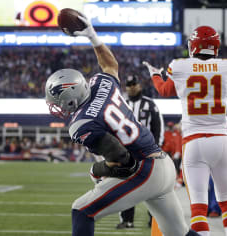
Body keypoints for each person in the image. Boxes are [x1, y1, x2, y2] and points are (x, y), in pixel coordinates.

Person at [44, 13, 198, 236]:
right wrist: (92, 36)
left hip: (146, 170)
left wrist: (100, 169)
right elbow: (110, 64)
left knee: (81, 210)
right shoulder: (101, 84)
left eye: (57, 101)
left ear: (70, 98)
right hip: (162, 163)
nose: (56, 106)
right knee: (180, 233)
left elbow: (124, 161)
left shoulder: (82, 123)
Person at [143, 25, 227, 236]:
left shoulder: (180, 66)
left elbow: (163, 90)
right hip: (221, 141)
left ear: (193, 45)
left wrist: (155, 75)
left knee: (198, 208)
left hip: (194, 141)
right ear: (215, 46)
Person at [116, 75, 165, 229]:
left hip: (147, 152)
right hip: (127, 153)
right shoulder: (120, 104)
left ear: (140, 85)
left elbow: (158, 127)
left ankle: (154, 219)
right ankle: (127, 220)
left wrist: (156, 149)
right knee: (127, 188)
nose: (131, 87)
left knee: (152, 188)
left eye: (134, 84)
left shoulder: (150, 105)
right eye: (129, 85)